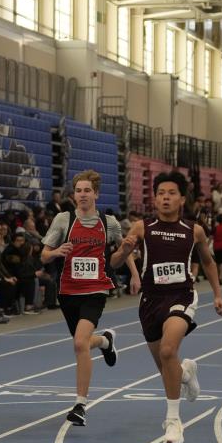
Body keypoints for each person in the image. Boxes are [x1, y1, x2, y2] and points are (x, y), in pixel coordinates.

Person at [113, 171, 222, 443]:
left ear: (182, 199)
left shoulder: (194, 230)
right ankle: (186, 373)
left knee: (167, 350)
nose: (166, 198)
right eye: (161, 193)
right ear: (154, 198)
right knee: (167, 369)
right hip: (151, 301)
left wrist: (217, 295)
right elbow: (114, 263)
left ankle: (173, 421)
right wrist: (125, 250)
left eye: (171, 193)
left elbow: (208, 262)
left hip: (181, 296)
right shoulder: (142, 227)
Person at [41, 170, 136, 426]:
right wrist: (56, 252)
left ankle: (80, 404)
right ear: (74, 195)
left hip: (96, 290)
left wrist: (135, 275)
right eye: (78, 191)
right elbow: (44, 255)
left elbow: (125, 249)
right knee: (82, 342)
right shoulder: (63, 219)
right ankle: (105, 341)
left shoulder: (109, 223)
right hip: (68, 291)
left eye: (87, 191)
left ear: (96, 194)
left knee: (79, 343)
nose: (82, 195)